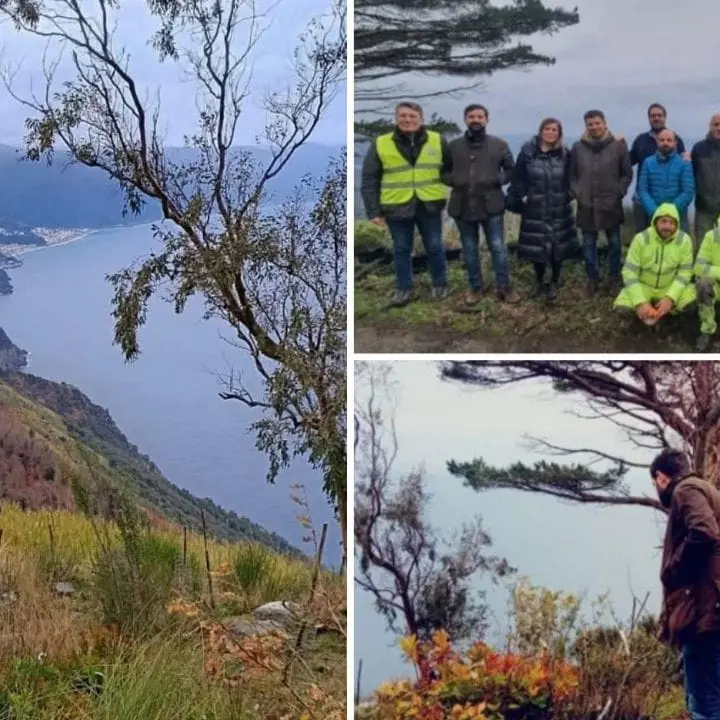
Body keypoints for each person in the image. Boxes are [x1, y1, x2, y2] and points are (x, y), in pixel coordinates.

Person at [651, 448, 720, 720]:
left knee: (704, 699)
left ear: (661, 478)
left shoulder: (685, 490)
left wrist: (674, 569)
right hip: (710, 609)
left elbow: (704, 531)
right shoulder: (706, 490)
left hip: (703, 613)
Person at [360, 101, 451, 307]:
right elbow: (370, 179)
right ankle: (403, 289)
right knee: (401, 249)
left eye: (412, 116)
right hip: (396, 205)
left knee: (435, 246)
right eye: (403, 116)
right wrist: (373, 211)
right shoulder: (381, 143)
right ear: (396, 118)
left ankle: (440, 283)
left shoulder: (438, 140)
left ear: (421, 119)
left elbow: (449, 169)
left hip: (429, 203)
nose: (408, 120)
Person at [443, 103, 520, 305]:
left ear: (486, 119)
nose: (475, 120)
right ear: (465, 120)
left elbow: (512, 171)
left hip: (491, 204)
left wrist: (497, 180)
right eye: (471, 116)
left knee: (497, 247)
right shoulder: (453, 146)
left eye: (479, 116)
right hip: (462, 205)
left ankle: (504, 286)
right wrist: (455, 181)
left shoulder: (499, 145)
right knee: (469, 249)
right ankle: (475, 288)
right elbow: (443, 172)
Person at [506, 117, 578, 303]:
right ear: (541, 131)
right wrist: (520, 196)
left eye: (555, 130)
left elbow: (573, 178)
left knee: (557, 247)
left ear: (559, 133)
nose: (551, 132)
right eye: (548, 128)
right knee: (536, 245)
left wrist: (568, 195)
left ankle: (554, 281)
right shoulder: (528, 152)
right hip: (535, 207)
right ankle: (538, 281)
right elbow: (518, 177)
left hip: (558, 208)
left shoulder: (564, 154)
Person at [570, 109, 632, 295]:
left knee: (614, 242)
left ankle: (614, 278)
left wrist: (618, 192)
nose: (594, 127)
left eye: (597, 123)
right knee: (588, 244)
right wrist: (578, 193)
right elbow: (571, 175)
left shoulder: (618, 146)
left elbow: (627, 174)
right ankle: (592, 279)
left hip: (610, 204)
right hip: (586, 204)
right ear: (586, 126)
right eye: (590, 124)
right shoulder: (577, 147)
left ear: (605, 123)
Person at [614, 203, 695, 326]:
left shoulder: (684, 240)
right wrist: (640, 302)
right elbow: (629, 272)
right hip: (644, 286)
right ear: (655, 221)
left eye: (672, 223)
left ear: (677, 224)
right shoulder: (641, 239)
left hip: (670, 286)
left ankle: (668, 314)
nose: (667, 226)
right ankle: (643, 314)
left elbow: (685, 273)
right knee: (622, 308)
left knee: (692, 302)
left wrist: (670, 298)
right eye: (663, 221)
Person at [630, 103, 688, 231]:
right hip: (642, 201)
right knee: (644, 239)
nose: (656, 118)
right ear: (649, 118)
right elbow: (627, 162)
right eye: (652, 115)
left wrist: (671, 208)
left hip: (671, 202)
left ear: (665, 117)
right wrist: (618, 145)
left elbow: (684, 168)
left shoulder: (676, 138)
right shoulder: (641, 140)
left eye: (659, 115)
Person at [637, 129, 694, 233]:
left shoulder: (684, 164)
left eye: (669, 140)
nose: (665, 143)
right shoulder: (647, 162)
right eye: (662, 140)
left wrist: (670, 211)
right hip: (654, 216)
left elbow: (688, 191)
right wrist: (655, 211)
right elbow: (642, 190)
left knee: (679, 247)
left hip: (678, 217)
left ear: (675, 143)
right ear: (657, 142)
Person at [691, 113, 720, 244]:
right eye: (716, 125)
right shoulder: (698, 148)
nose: (719, 128)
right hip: (704, 207)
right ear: (710, 126)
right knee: (702, 246)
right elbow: (691, 175)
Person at [693, 217, 720, 351]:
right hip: (717, 284)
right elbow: (699, 267)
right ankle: (707, 329)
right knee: (703, 284)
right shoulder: (712, 236)